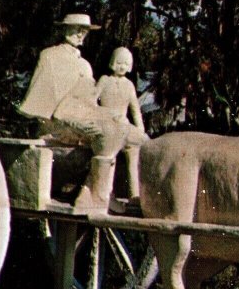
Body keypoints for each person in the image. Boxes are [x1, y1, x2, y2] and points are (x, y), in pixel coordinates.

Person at [18, 14, 146, 213]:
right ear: (64, 29)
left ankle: (103, 191)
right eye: (75, 29)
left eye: (84, 31)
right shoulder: (50, 56)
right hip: (57, 123)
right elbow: (39, 103)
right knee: (108, 132)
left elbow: (89, 101)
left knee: (135, 136)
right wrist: (67, 121)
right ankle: (95, 197)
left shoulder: (84, 64)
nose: (80, 34)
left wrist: (110, 114)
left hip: (82, 117)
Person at [95, 47, 146, 203]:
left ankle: (134, 195)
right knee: (110, 156)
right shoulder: (104, 80)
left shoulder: (129, 85)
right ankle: (106, 195)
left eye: (125, 63)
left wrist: (140, 129)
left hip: (124, 126)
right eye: (119, 62)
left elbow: (135, 111)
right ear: (112, 62)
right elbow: (91, 101)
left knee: (135, 152)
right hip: (107, 126)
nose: (122, 66)